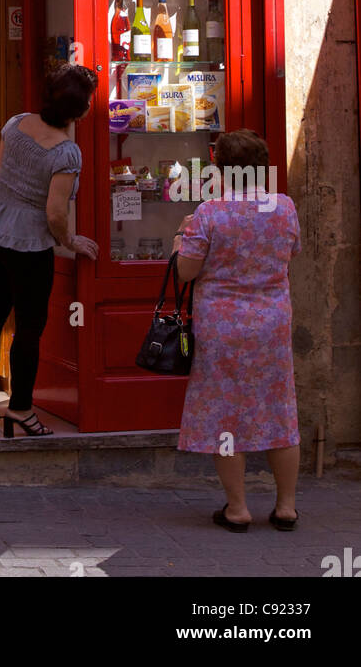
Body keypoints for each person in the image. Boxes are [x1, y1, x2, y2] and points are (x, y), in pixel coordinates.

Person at [0, 64, 99, 437]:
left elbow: (0, 175)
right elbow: (55, 213)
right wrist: (69, 241)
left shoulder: (16, 123)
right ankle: (20, 408)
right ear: (81, 109)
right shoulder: (67, 152)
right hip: (28, 243)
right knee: (30, 328)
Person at [174, 128, 301, 531]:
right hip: (271, 323)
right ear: (263, 166)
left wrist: (181, 236)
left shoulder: (210, 213)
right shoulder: (283, 207)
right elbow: (290, 253)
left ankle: (238, 508)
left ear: (220, 166)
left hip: (223, 326)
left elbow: (187, 272)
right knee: (280, 411)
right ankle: (286, 507)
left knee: (226, 414)